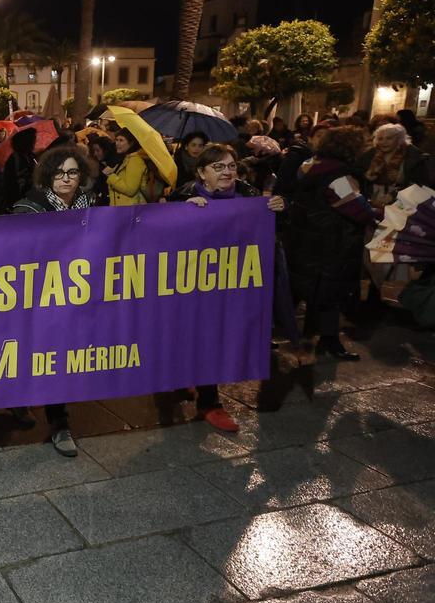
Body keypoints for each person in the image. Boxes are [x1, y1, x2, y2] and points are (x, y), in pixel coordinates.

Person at [172, 143, 286, 431]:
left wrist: (277, 209)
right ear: (201, 172)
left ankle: (202, 391)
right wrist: (181, 212)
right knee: (197, 335)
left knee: (216, 336)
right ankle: (207, 398)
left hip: (232, 282)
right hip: (191, 284)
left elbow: (268, 233)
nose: (227, 172)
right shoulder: (185, 194)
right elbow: (160, 234)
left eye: (231, 165)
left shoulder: (249, 195)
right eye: (218, 166)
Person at [11, 145, 98, 454]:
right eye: (59, 173)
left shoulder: (90, 204)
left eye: (72, 172)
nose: (66, 179)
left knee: (55, 361)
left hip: (76, 296)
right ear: (48, 177)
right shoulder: (29, 208)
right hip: (38, 299)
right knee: (36, 357)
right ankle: (32, 409)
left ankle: (57, 423)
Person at [287, 126, 377, 361]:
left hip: (307, 240)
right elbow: (358, 210)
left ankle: (324, 339)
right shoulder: (339, 176)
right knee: (330, 292)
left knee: (305, 290)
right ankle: (329, 341)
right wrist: (375, 212)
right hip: (332, 243)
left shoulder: (309, 165)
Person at [357, 123, 428, 209]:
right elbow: (356, 180)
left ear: (399, 139)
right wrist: (366, 177)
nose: (383, 142)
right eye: (380, 138)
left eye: (389, 138)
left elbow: (419, 184)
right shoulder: (369, 155)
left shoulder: (413, 156)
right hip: (371, 202)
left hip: (403, 202)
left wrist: (394, 195)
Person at [104, 129, 149, 207]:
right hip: (123, 208)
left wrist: (111, 176)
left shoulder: (135, 160)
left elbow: (130, 190)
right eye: (116, 140)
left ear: (131, 143)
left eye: (121, 140)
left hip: (130, 209)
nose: (117, 143)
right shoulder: (126, 158)